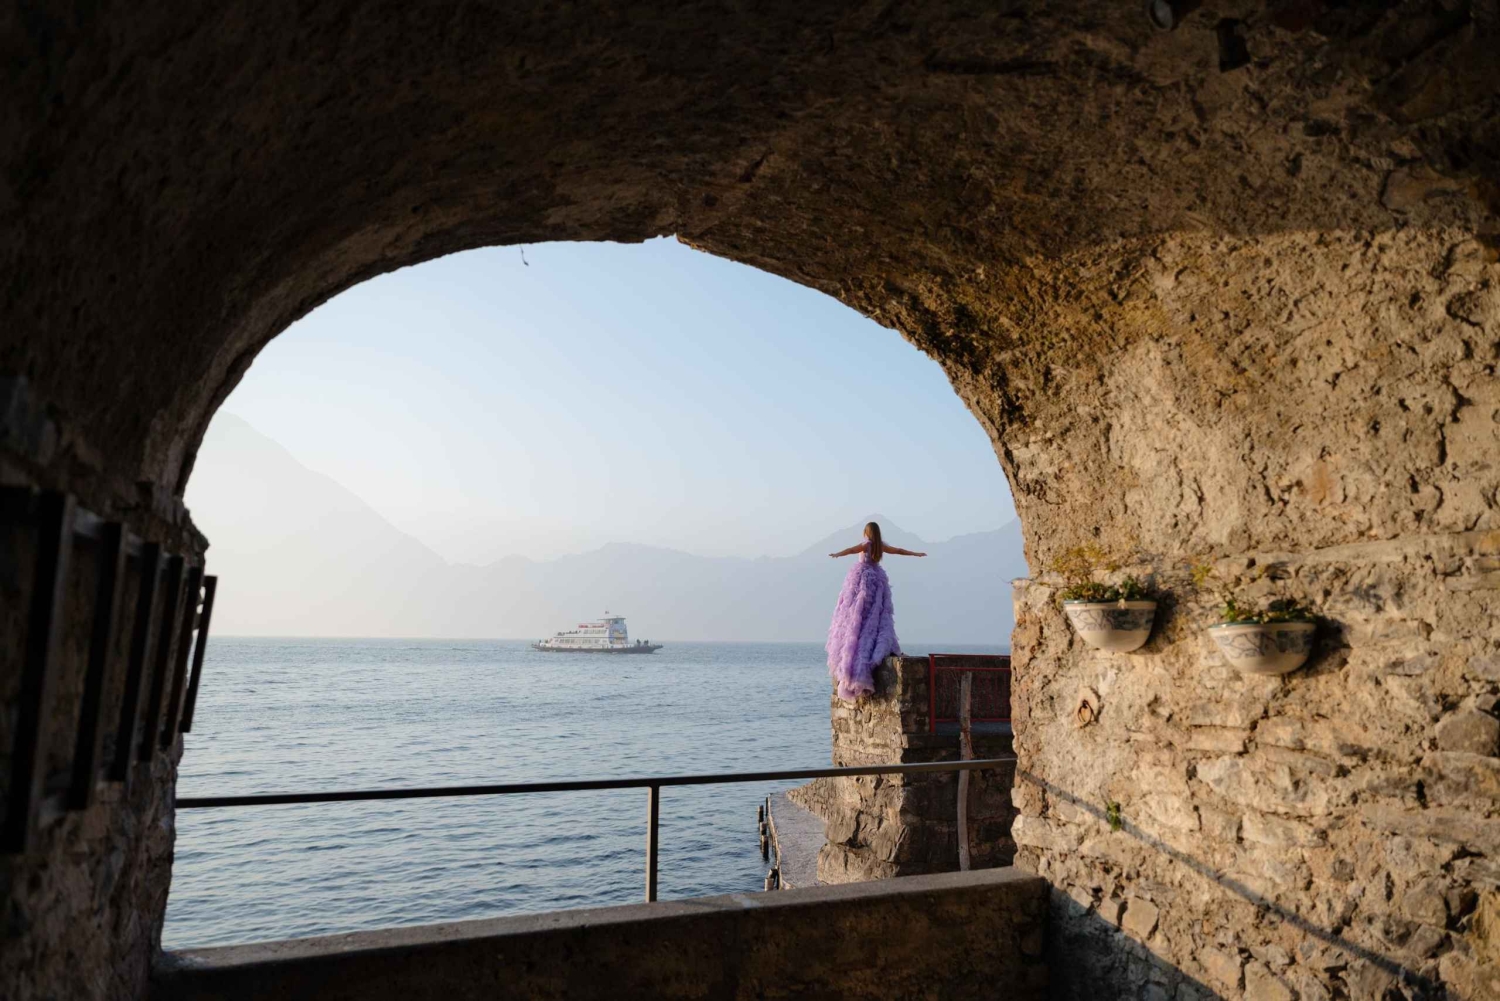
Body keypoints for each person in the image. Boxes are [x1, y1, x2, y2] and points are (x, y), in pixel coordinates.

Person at [826, 521, 925, 700]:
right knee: (876, 612)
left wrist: (837, 554)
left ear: (867, 532)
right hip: (877, 580)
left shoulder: (867, 544)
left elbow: (851, 549)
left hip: (863, 579)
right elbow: (899, 550)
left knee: (858, 612)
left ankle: (857, 647)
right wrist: (915, 554)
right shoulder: (880, 546)